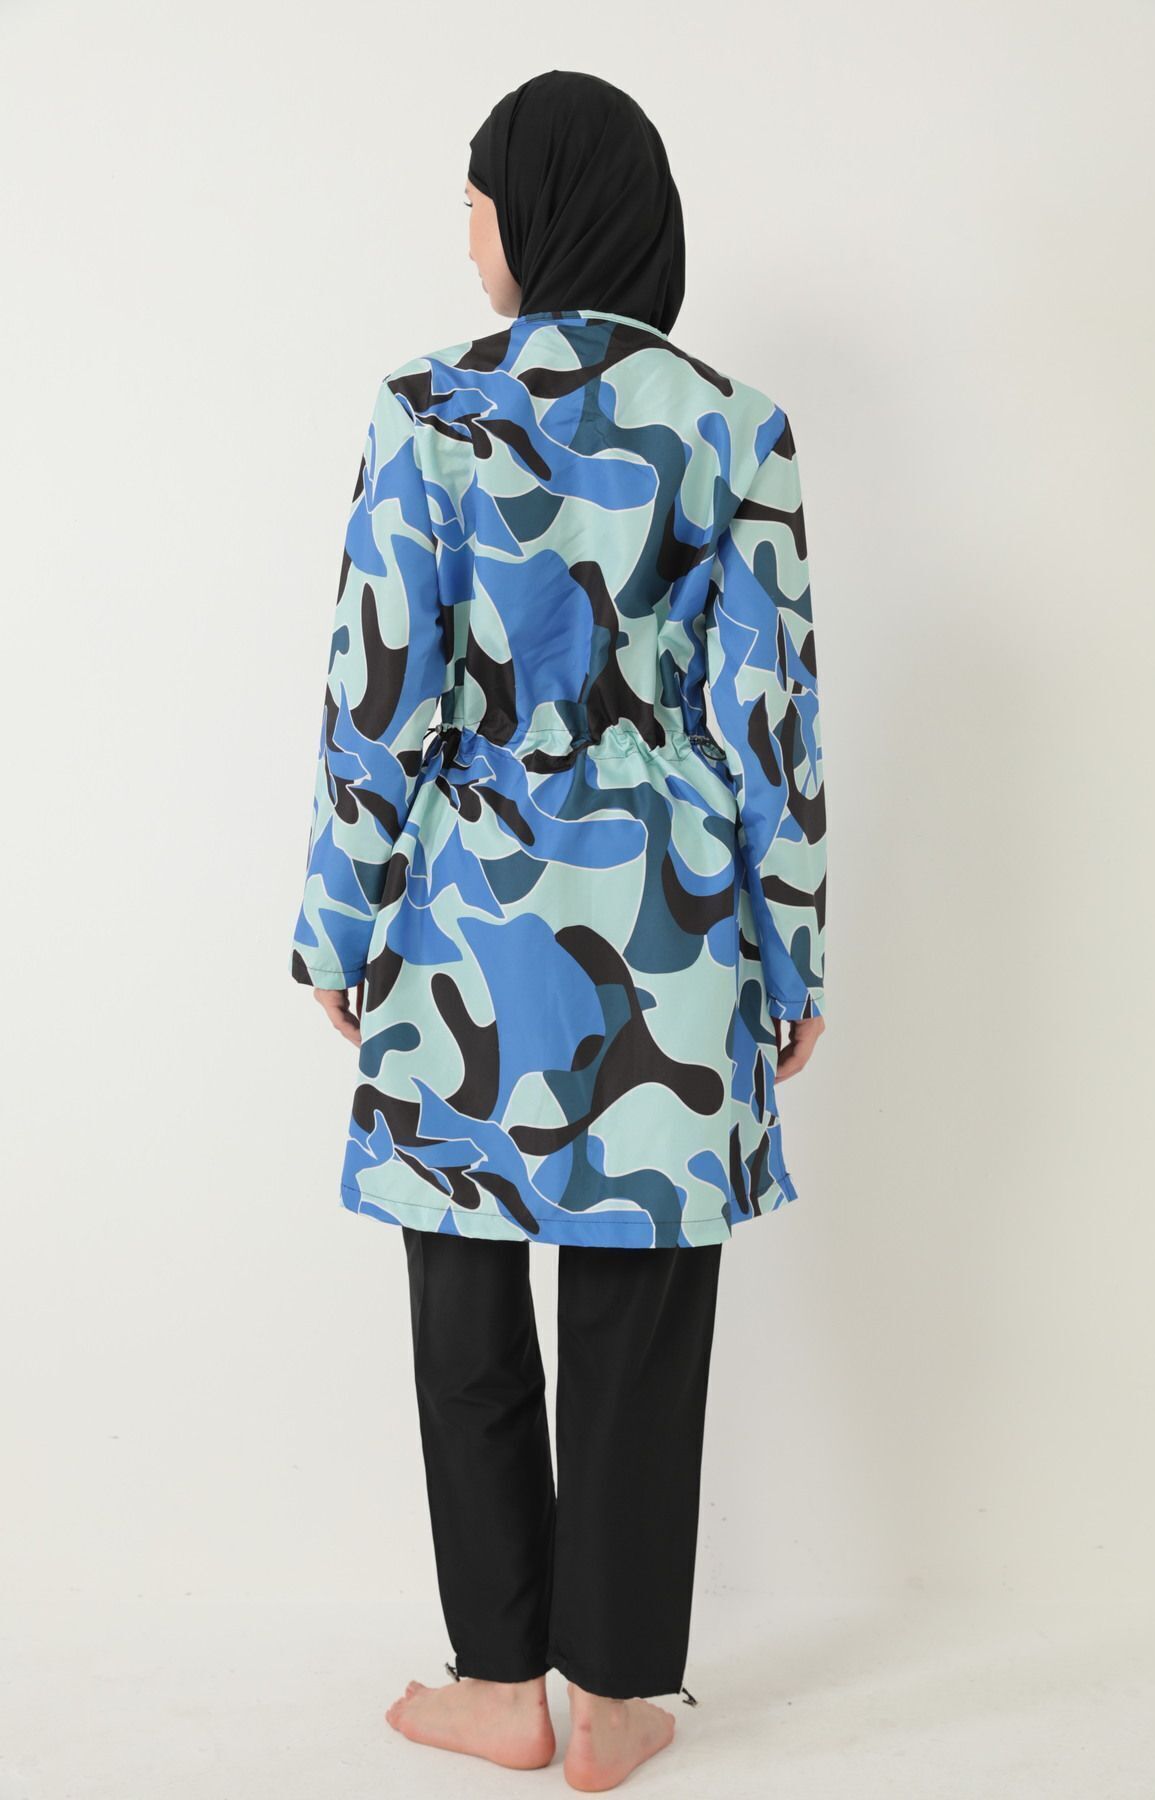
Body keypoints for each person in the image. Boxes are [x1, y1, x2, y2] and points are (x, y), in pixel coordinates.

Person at [289, 68, 827, 1792]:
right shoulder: (736, 427)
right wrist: (792, 948)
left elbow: (377, 699)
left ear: (540, 207)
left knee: (462, 1287)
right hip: (673, 920)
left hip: (463, 915)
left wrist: (338, 925)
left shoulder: (426, 415)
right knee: (642, 1297)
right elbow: (770, 721)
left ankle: (501, 1682)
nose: (466, 232)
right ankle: (614, 1697)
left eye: (475, 199)